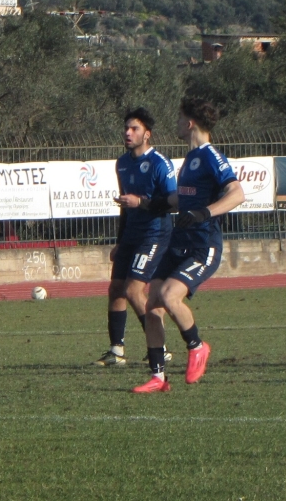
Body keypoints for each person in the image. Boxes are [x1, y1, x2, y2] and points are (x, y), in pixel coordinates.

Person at [132, 98, 244, 393]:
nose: (177, 123)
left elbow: (237, 193)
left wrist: (205, 213)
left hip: (202, 246)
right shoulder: (191, 158)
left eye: (181, 118)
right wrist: (146, 203)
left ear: (191, 123)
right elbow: (180, 200)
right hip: (179, 243)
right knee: (153, 303)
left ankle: (197, 346)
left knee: (170, 296)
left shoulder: (209, 156)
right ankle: (158, 377)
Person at [95, 108, 176, 367]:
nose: (128, 133)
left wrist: (140, 202)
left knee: (133, 290)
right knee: (116, 289)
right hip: (130, 234)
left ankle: (159, 348)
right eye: (126, 128)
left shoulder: (160, 164)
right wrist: (119, 241)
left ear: (147, 135)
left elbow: (172, 203)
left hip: (154, 234)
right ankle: (116, 351)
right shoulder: (122, 162)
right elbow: (125, 206)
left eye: (135, 129)